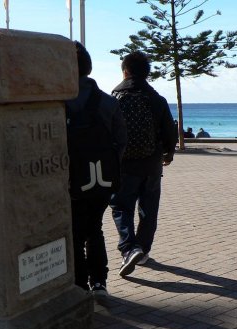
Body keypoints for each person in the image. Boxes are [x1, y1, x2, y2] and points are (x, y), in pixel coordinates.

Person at [66, 42, 126, 297]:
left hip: (70, 181)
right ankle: (99, 282)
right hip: (101, 180)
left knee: (75, 233)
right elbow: (121, 142)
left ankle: (79, 285)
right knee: (94, 228)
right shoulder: (108, 102)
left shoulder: (58, 102)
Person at [110, 51, 177, 276]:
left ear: (125, 71)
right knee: (148, 210)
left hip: (124, 165)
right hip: (151, 164)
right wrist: (168, 153)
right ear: (147, 73)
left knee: (121, 206)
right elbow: (169, 130)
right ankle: (143, 251)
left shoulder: (115, 98)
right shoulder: (156, 99)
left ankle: (130, 248)